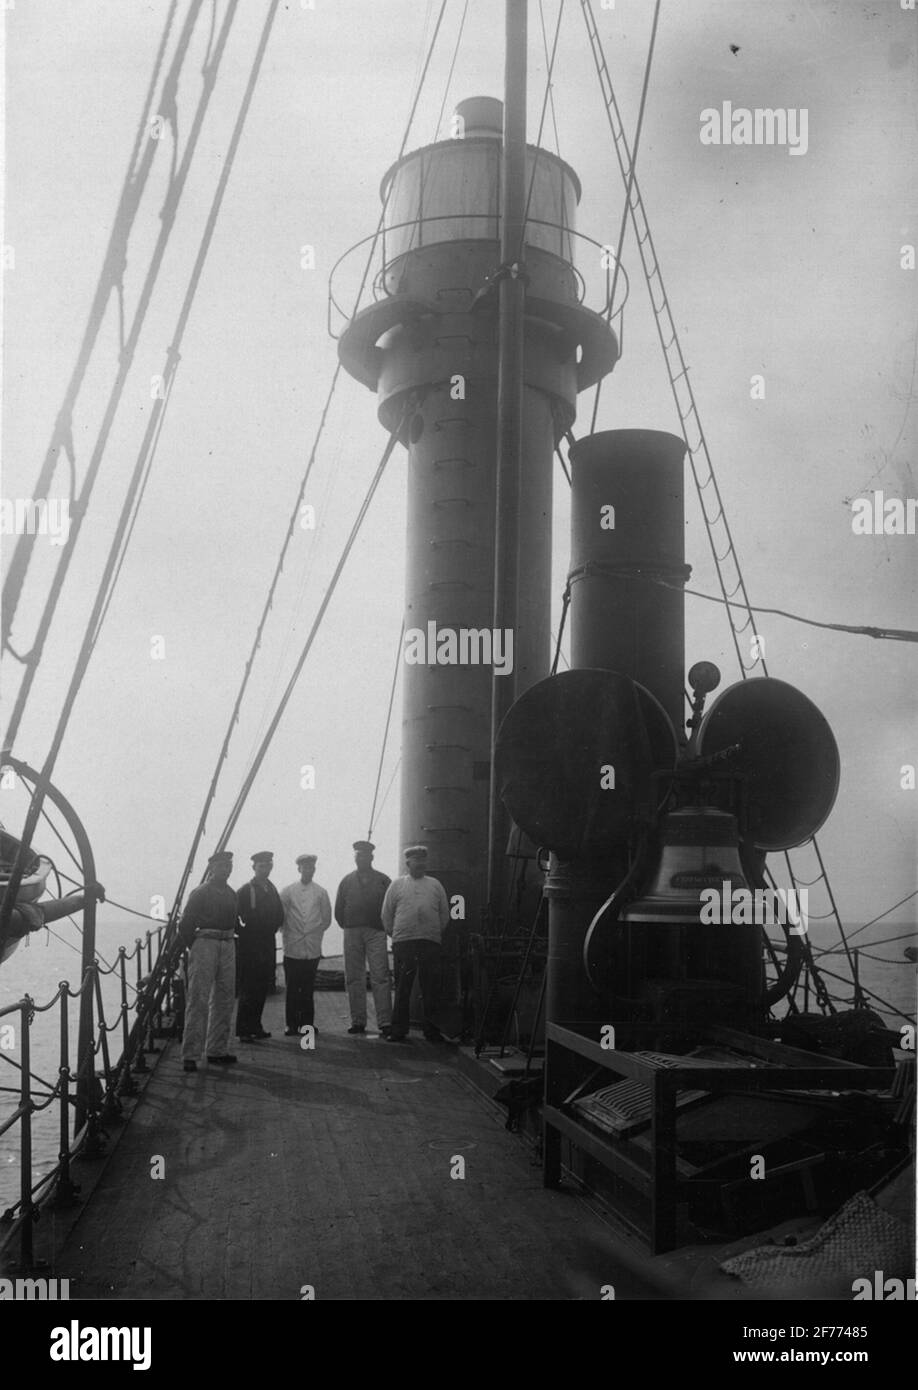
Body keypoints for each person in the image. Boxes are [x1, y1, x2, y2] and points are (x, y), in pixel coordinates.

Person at [381, 845, 449, 1043]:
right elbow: (386, 914)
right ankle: (398, 1030)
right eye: (416, 861)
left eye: (423, 861)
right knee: (403, 987)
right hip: (404, 942)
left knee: (431, 987)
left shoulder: (436, 885)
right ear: (408, 863)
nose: (420, 864)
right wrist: (395, 935)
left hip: (430, 943)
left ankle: (432, 1030)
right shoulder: (396, 885)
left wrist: (433, 932)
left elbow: (445, 914)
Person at [180, 850, 239, 1072]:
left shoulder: (232, 894)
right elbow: (185, 925)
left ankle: (217, 1050)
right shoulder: (200, 893)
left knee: (225, 998)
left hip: (227, 943)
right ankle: (191, 1054)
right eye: (223, 865)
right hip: (205, 943)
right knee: (199, 998)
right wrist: (195, 946)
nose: (227, 869)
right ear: (212, 868)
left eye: (229, 865)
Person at [334, 840, 392, 1036]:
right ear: (355, 857)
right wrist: (349, 925)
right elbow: (338, 910)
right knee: (353, 977)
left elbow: (391, 908)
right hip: (352, 931)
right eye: (358, 855)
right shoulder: (346, 881)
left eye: (365, 855)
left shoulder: (384, 880)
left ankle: (385, 1022)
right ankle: (358, 1021)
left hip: (376, 932)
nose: (361, 858)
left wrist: (384, 927)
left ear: (372, 857)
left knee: (381, 976)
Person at [279, 854, 331, 1037]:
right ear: (299, 869)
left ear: (314, 869)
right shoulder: (287, 891)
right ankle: (291, 1025)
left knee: (308, 988)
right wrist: (293, 933)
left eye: (311, 867)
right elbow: (281, 919)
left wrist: (313, 933)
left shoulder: (321, 892)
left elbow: (326, 919)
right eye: (305, 867)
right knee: (292, 987)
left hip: (312, 947)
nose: (308, 870)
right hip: (292, 946)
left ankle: (307, 1024)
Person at [235, 851, 284, 1041]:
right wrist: (244, 932)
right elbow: (235, 916)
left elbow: (279, 913)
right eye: (261, 866)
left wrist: (274, 925)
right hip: (250, 944)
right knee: (249, 987)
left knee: (262, 986)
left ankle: (256, 1025)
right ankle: (244, 1030)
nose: (266, 869)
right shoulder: (246, 890)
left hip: (266, 942)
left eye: (268, 865)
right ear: (254, 868)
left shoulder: (271, 888)